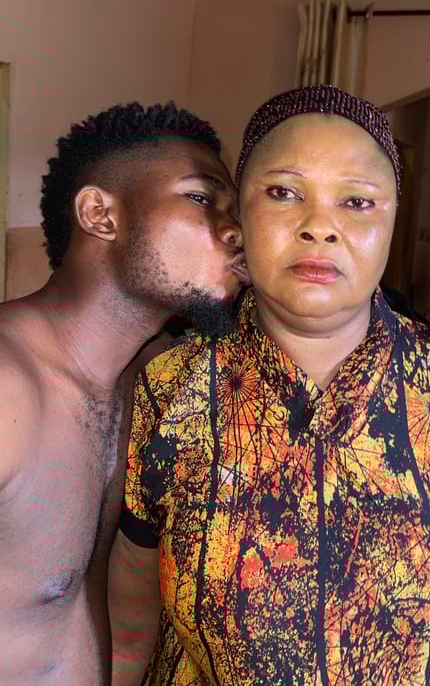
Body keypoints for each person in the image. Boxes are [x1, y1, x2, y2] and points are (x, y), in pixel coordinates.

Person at [109, 85, 430, 685]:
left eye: (358, 202)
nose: (320, 227)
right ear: (241, 215)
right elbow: (133, 594)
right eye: (284, 193)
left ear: (395, 218)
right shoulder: (172, 386)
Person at [0, 102, 247, 685]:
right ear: (99, 214)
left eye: (233, 210)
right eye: (200, 197)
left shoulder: (158, 383)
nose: (235, 229)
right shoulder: (6, 385)